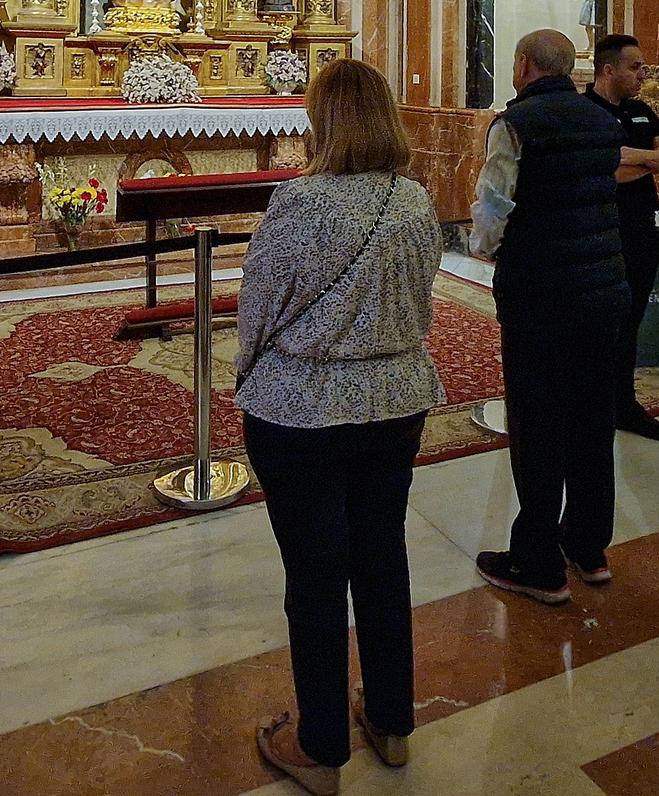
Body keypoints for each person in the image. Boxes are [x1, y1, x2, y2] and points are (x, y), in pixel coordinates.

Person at [238, 59, 445, 795]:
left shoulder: (299, 204)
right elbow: (422, 303)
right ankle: (391, 722)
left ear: (322, 121)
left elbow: (257, 307)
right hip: (396, 400)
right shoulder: (415, 201)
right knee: (382, 557)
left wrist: (247, 373)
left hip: (303, 411)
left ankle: (321, 745)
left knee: (317, 575)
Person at [469, 28, 629, 605]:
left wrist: (482, 248)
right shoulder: (601, 119)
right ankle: (588, 546)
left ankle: (537, 559)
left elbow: (495, 203)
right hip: (603, 285)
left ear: (524, 64)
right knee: (591, 417)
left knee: (537, 424)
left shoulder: (517, 123)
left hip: (541, 291)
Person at [587, 35, 659, 440]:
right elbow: (608, 170)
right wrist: (649, 159)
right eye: (635, 67)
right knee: (599, 328)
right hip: (602, 236)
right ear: (609, 69)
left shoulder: (643, 111)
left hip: (642, 234)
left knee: (630, 325)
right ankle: (593, 406)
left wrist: (634, 156)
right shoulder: (586, 112)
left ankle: (624, 406)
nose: (642, 75)